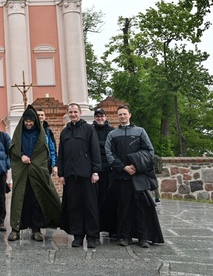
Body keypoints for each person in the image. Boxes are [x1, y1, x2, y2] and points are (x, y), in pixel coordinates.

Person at [105, 105, 164, 248]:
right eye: (120, 114)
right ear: (117, 116)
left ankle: (143, 237)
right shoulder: (112, 134)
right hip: (121, 177)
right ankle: (124, 237)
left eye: (124, 114)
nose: (122, 116)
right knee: (123, 208)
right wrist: (123, 167)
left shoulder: (140, 131)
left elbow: (149, 151)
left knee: (141, 208)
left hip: (139, 176)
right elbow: (109, 153)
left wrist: (136, 166)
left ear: (129, 115)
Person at [8, 105, 61, 242]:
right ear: (23, 121)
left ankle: (36, 230)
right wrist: (21, 156)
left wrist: (39, 163)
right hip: (22, 172)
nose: (29, 123)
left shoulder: (41, 133)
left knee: (36, 200)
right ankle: (15, 229)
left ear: (35, 121)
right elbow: (13, 148)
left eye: (31, 121)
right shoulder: (19, 133)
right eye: (26, 121)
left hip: (37, 171)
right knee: (20, 200)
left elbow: (46, 152)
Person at [58, 103, 102, 248]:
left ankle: (92, 237)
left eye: (75, 112)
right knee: (74, 207)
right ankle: (77, 236)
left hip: (87, 175)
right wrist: (61, 174)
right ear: (68, 114)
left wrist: (95, 171)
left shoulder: (89, 129)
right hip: (70, 176)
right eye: (70, 112)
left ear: (80, 112)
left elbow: (95, 151)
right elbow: (61, 154)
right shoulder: (65, 132)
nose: (73, 114)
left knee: (90, 207)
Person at [91, 108, 115, 235]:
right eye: (97, 116)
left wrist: (98, 145)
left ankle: (111, 227)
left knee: (110, 198)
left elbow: (111, 147)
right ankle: (96, 227)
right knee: (96, 200)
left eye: (102, 116)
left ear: (105, 117)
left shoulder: (111, 131)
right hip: (95, 170)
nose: (100, 118)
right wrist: (103, 145)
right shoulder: (91, 130)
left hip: (109, 169)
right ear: (95, 117)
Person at [37, 108, 58, 175]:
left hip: (47, 164)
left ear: (44, 117)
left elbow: (52, 149)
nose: (40, 116)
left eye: (42, 115)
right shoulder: (31, 131)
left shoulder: (48, 132)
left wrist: (54, 165)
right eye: (38, 115)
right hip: (35, 164)